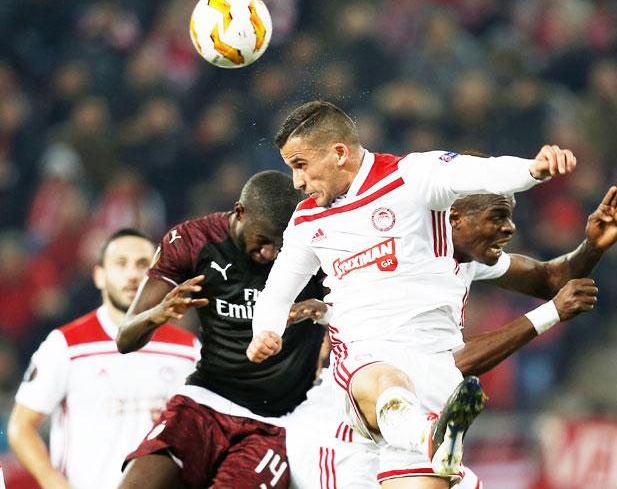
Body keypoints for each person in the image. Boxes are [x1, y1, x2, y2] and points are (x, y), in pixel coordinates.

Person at [247, 100, 578, 488]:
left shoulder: (412, 177)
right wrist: (265, 330)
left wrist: (532, 170)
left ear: (338, 153)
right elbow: (277, 290)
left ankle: (431, 436)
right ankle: (428, 435)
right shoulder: (307, 221)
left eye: (300, 165)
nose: (297, 182)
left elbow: (482, 172)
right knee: (384, 380)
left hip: (436, 375)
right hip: (368, 362)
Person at [284, 184, 617, 488]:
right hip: (350, 437)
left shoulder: (461, 256)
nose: (509, 228)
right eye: (497, 217)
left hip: (413, 432)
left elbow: (549, 279)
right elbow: (442, 367)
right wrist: (550, 313)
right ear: (455, 218)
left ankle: (428, 438)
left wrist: (592, 247)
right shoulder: (401, 261)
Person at [116, 170, 326, 489]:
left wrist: (324, 310)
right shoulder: (192, 240)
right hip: (204, 400)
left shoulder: (314, 250)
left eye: (280, 245)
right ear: (239, 212)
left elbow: (362, 310)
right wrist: (156, 315)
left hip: (274, 423)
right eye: (263, 240)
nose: (270, 253)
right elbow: (124, 337)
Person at [7, 229, 199, 489]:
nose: (132, 274)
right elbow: (21, 427)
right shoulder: (66, 345)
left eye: (143, 264)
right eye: (120, 264)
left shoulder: (187, 349)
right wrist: (53, 482)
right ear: (99, 276)